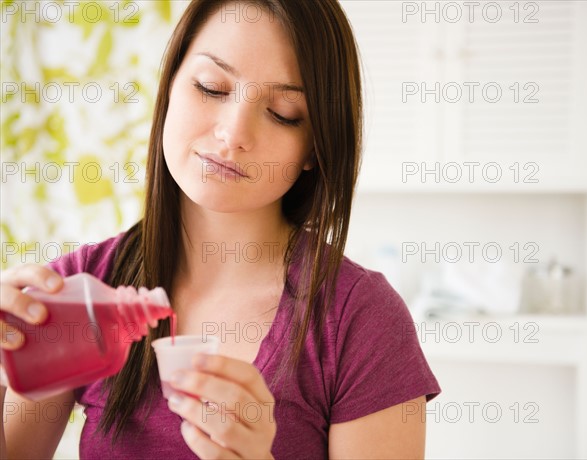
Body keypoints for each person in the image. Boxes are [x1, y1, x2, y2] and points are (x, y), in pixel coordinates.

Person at [0, 0, 441, 458]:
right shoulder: (81, 288)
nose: (233, 133)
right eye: (211, 88)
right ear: (171, 83)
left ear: (315, 146)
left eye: (284, 112)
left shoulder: (359, 321)